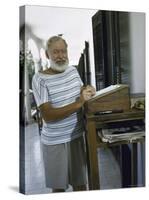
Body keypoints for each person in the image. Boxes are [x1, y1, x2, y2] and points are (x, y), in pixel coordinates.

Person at [32, 36, 95, 192]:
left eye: (63, 51)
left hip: (76, 136)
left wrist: (88, 90)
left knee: (81, 185)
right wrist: (79, 103)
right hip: (55, 142)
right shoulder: (39, 79)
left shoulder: (73, 71)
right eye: (55, 52)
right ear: (47, 55)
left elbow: (80, 89)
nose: (60, 56)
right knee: (59, 189)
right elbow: (48, 115)